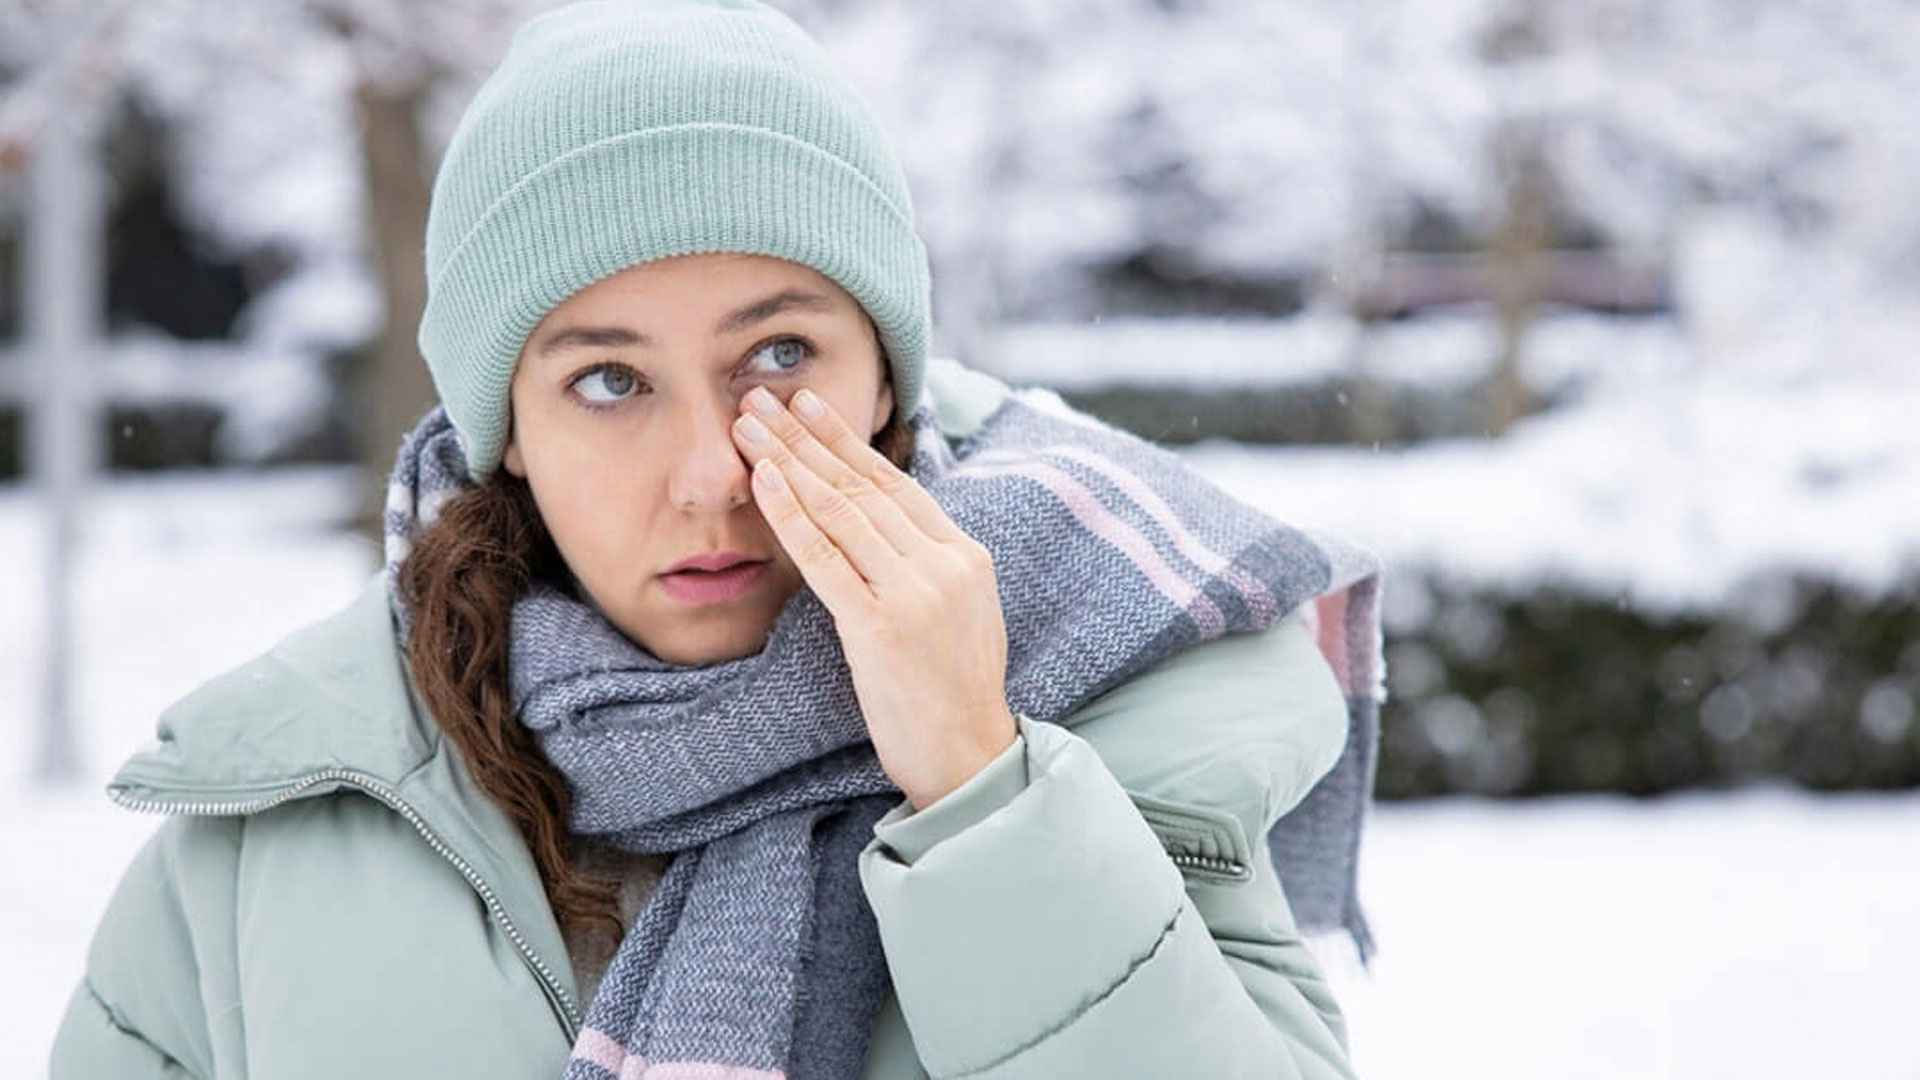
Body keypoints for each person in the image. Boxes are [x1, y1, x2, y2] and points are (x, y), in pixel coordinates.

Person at [50, 2, 1381, 1077]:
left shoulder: (1125, 710)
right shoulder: (281, 823)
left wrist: (984, 789)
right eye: (608, 381)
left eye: (781, 354)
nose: (710, 476)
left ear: (883, 381)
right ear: (504, 428)